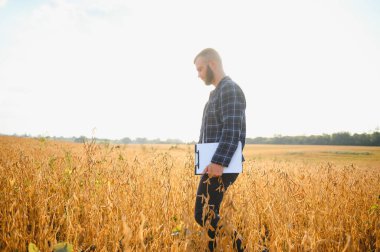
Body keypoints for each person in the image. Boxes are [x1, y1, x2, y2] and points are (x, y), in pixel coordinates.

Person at [193, 48, 246, 251]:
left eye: (200, 69)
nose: (198, 74)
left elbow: (232, 131)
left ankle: (243, 247)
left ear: (212, 64)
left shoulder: (229, 89)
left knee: (203, 213)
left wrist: (218, 163)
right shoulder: (216, 93)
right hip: (214, 163)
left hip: (221, 164)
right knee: (208, 214)